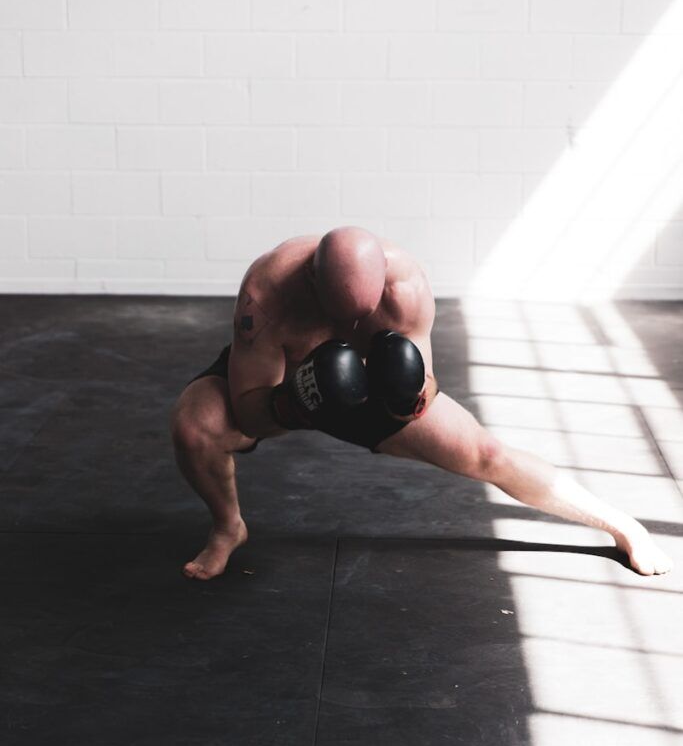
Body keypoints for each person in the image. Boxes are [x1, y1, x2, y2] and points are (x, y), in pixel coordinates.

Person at [170, 226, 672, 580]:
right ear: (312, 283)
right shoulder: (267, 292)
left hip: (370, 381)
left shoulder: (406, 286)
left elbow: (422, 389)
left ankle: (622, 525)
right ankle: (227, 526)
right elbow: (250, 410)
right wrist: (300, 404)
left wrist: (405, 395)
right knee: (196, 427)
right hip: (284, 383)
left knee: (487, 454)